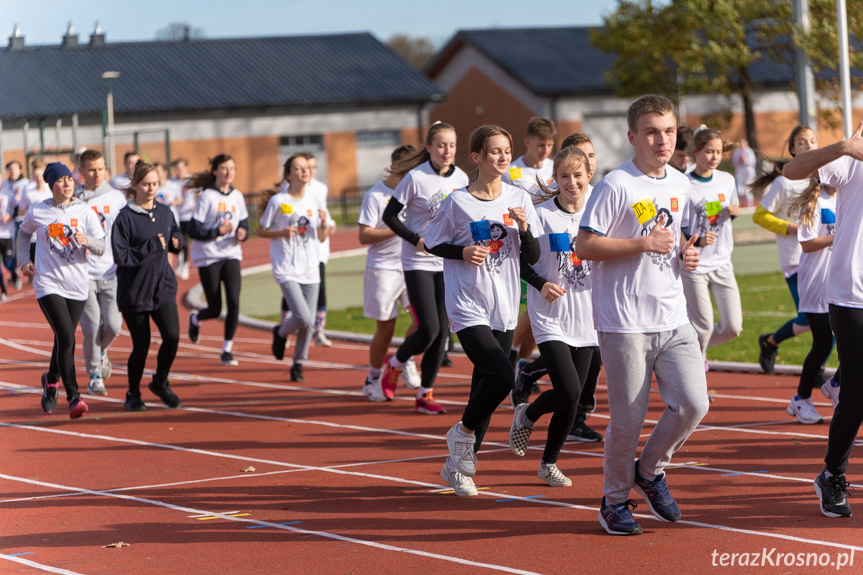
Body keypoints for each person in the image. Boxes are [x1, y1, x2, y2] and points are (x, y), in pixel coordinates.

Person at [576, 95, 708, 535]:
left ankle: (649, 471)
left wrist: (688, 255)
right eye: (652, 131)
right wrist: (640, 244)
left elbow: (677, 238)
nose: (662, 139)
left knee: (694, 403)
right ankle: (614, 502)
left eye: (669, 131)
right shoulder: (617, 185)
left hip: (673, 316)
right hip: (624, 323)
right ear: (633, 136)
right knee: (628, 420)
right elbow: (585, 246)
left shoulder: (682, 183)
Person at [426, 124, 541, 496]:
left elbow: (533, 256)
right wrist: (461, 252)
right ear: (476, 157)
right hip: (467, 303)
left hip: (503, 304)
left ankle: (458, 466)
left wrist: (524, 229)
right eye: (494, 151)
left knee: (483, 386)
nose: (503, 157)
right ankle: (461, 434)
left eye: (506, 150)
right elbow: (431, 242)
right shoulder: (458, 201)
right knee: (503, 376)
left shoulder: (519, 197)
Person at [782, 120, 863, 519]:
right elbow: (792, 170)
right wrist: (843, 148)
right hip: (852, 294)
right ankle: (832, 473)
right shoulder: (854, 156)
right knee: (857, 391)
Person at [508, 146, 597, 488]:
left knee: (573, 399)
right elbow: (521, 260)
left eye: (578, 175)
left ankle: (548, 464)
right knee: (569, 389)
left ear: (589, 175)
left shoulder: (598, 213)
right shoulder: (542, 214)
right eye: (564, 176)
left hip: (587, 315)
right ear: (554, 179)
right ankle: (528, 415)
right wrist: (542, 284)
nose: (571, 182)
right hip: (550, 316)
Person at [380, 122, 469, 414]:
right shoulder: (415, 178)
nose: (447, 151)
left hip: (448, 262)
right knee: (428, 329)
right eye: (441, 145)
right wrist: (415, 239)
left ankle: (424, 395)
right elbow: (390, 216)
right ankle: (395, 362)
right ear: (429, 147)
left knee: (442, 335)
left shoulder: (463, 178)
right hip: (417, 262)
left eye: (452, 145)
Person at [16, 162, 106, 419]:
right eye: (60, 180)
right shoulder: (38, 211)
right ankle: (74, 396)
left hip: (77, 285)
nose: (67, 184)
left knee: (61, 338)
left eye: (69, 178)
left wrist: (87, 241)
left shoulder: (84, 211)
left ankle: (51, 381)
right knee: (67, 338)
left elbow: (101, 245)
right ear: (51, 185)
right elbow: (23, 235)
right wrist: (24, 261)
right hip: (48, 283)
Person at [112, 161, 184, 410]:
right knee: (141, 345)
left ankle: (160, 381)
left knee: (172, 337)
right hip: (134, 292)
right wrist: (150, 245)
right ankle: (133, 393)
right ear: (134, 185)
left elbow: (175, 233)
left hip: (162, 286)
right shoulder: (125, 218)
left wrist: (177, 241)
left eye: (154, 183)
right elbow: (121, 257)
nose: (151, 188)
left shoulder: (165, 211)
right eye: (146, 184)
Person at [357, 145, 422, 401]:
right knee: (386, 329)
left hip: (412, 265)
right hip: (383, 268)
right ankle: (372, 378)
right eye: (407, 170)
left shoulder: (415, 194)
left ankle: (403, 358)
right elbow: (364, 235)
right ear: (394, 168)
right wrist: (399, 227)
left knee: (424, 322)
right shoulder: (376, 196)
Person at [751, 126, 817, 374]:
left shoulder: (822, 178)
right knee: (811, 319)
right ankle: (770, 342)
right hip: (796, 260)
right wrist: (789, 228)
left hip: (823, 258)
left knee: (828, 320)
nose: (809, 145)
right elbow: (760, 216)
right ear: (792, 148)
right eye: (802, 142)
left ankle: (818, 370)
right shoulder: (783, 182)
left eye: (813, 140)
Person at [259, 154, 329, 382]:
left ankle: (298, 364)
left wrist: (324, 224)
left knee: (308, 325)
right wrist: (280, 233)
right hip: (286, 267)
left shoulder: (315, 199)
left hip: (311, 267)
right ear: (288, 174)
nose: (304, 172)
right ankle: (280, 333)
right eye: (298, 169)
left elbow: (321, 237)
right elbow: (261, 230)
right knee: (304, 317)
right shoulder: (278, 201)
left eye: (306, 168)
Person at [680, 127, 743, 370]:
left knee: (733, 327)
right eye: (709, 151)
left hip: (722, 261)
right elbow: (679, 224)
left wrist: (732, 213)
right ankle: (696, 373)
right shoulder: (684, 183)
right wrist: (694, 241)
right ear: (696, 152)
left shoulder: (727, 180)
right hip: (695, 264)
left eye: (718, 152)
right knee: (703, 326)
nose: (715, 157)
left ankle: (692, 347)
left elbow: (716, 215)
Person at [783, 178, 839, 424]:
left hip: (843, 283)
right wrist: (839, 238)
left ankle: (836, 384)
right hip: (818, 286)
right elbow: (806, 244)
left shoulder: (848, 197)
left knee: (852, 342)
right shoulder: (814, 202)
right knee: (823, 344)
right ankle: (801, 398)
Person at [503, 117, 556, 374]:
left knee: (542, 305)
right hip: (523, 244)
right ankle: (509, 355)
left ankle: (522, 364)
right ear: (527, 142)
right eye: (540, 145)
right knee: (532, 304)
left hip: (550, 243)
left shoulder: (556, 168)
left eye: (549, 145)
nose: (545, 150)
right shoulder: (511, 172)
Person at [186, 154, 250, 366]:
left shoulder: (238, 197)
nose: (228, 172)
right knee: (214, 308)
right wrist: (217, 230)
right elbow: (194, 229)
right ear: (215, 171)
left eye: (232, 168)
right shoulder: (207, 197)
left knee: (234, 301)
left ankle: (227, 349)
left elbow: (244, 224)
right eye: (223, 168)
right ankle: (196, 319)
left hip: (231, 254)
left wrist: (243, 233)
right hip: (208, 256)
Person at [75, 149, 127, 396]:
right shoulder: (76, 200)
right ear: (81, 172)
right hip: (83, 273)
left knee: (114, 326)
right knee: (93, 325)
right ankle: (95, 375)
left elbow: (128, 229)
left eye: (101, 168)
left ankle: (102, 351)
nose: (97, 174)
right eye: (91, 170)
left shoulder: (117, 197)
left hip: (111, 271)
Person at [18, 158, 53, 276]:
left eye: (40, 175)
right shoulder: (30, 194)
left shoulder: (51, 191)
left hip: (50, 234)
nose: (38, 178)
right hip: (34, 236)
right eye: (35, 176)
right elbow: (22, 210)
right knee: (37, 269)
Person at [171, 158, 195, 280]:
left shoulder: (191, 180)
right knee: (176, 241)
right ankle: (180, 261)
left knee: (184, 240)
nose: (178, 171)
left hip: (187, 216)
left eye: (181, 168)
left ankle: (185, 264)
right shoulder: (172, 182)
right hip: (175, 215)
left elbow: (199, 194)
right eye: (176, 168)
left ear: (186, 168)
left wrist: (196, 204)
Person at [732, 138, 757, 206]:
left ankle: (750, 204)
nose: (741, 145)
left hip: (749, 173)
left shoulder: (749, 151)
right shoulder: (736, 151)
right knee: (740, 190)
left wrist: (745, 160)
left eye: (742, 143)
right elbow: (734, 162)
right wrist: (739, 160)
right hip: (740, 173)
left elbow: (753, 163)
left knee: (747, 189)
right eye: (740, 143)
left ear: (746, 143)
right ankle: (744, 201)